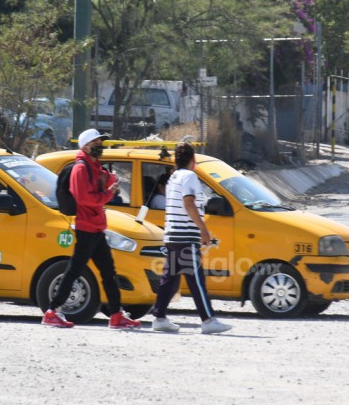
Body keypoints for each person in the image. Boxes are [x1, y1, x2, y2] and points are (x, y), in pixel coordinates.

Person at [42, 128, 141, 329]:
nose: (100, 146)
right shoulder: (80, 168)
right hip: (87, 228)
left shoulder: (93, 166)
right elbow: (84, 198)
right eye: (96, 143)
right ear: (86, 146)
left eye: (100, 142)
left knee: (108, 272)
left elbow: (106, 181)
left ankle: (116, 314)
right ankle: (52, 311)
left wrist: (109, 182)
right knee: (74, 270)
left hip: (95, 228)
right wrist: (107, 194)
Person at [151, 142, 232, 334]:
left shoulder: (174, 177)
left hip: (172, 236)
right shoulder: (189, 176)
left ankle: (159, 318)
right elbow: (189, 203)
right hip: (185, 236)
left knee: (169, 278)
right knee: (196, 279)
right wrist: (203, 230)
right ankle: (208, 320)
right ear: (192, 160)